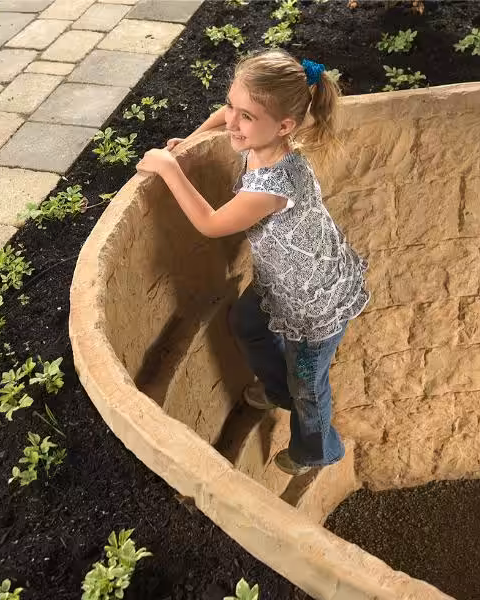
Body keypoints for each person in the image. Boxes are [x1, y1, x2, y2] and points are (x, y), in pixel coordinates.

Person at [135, 49, 369, 476]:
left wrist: (170, 169)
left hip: (313, 303)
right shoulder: (264, 141)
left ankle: (317, 449)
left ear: (284, 126)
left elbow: (210, 223)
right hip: (282, 280)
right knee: (247, 322)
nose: (231, 122)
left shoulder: (272, 186)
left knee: (308, 384)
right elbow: (221, 119)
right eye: (232, 106)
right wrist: (186, 144)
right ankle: (278, 391)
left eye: (245, 116)